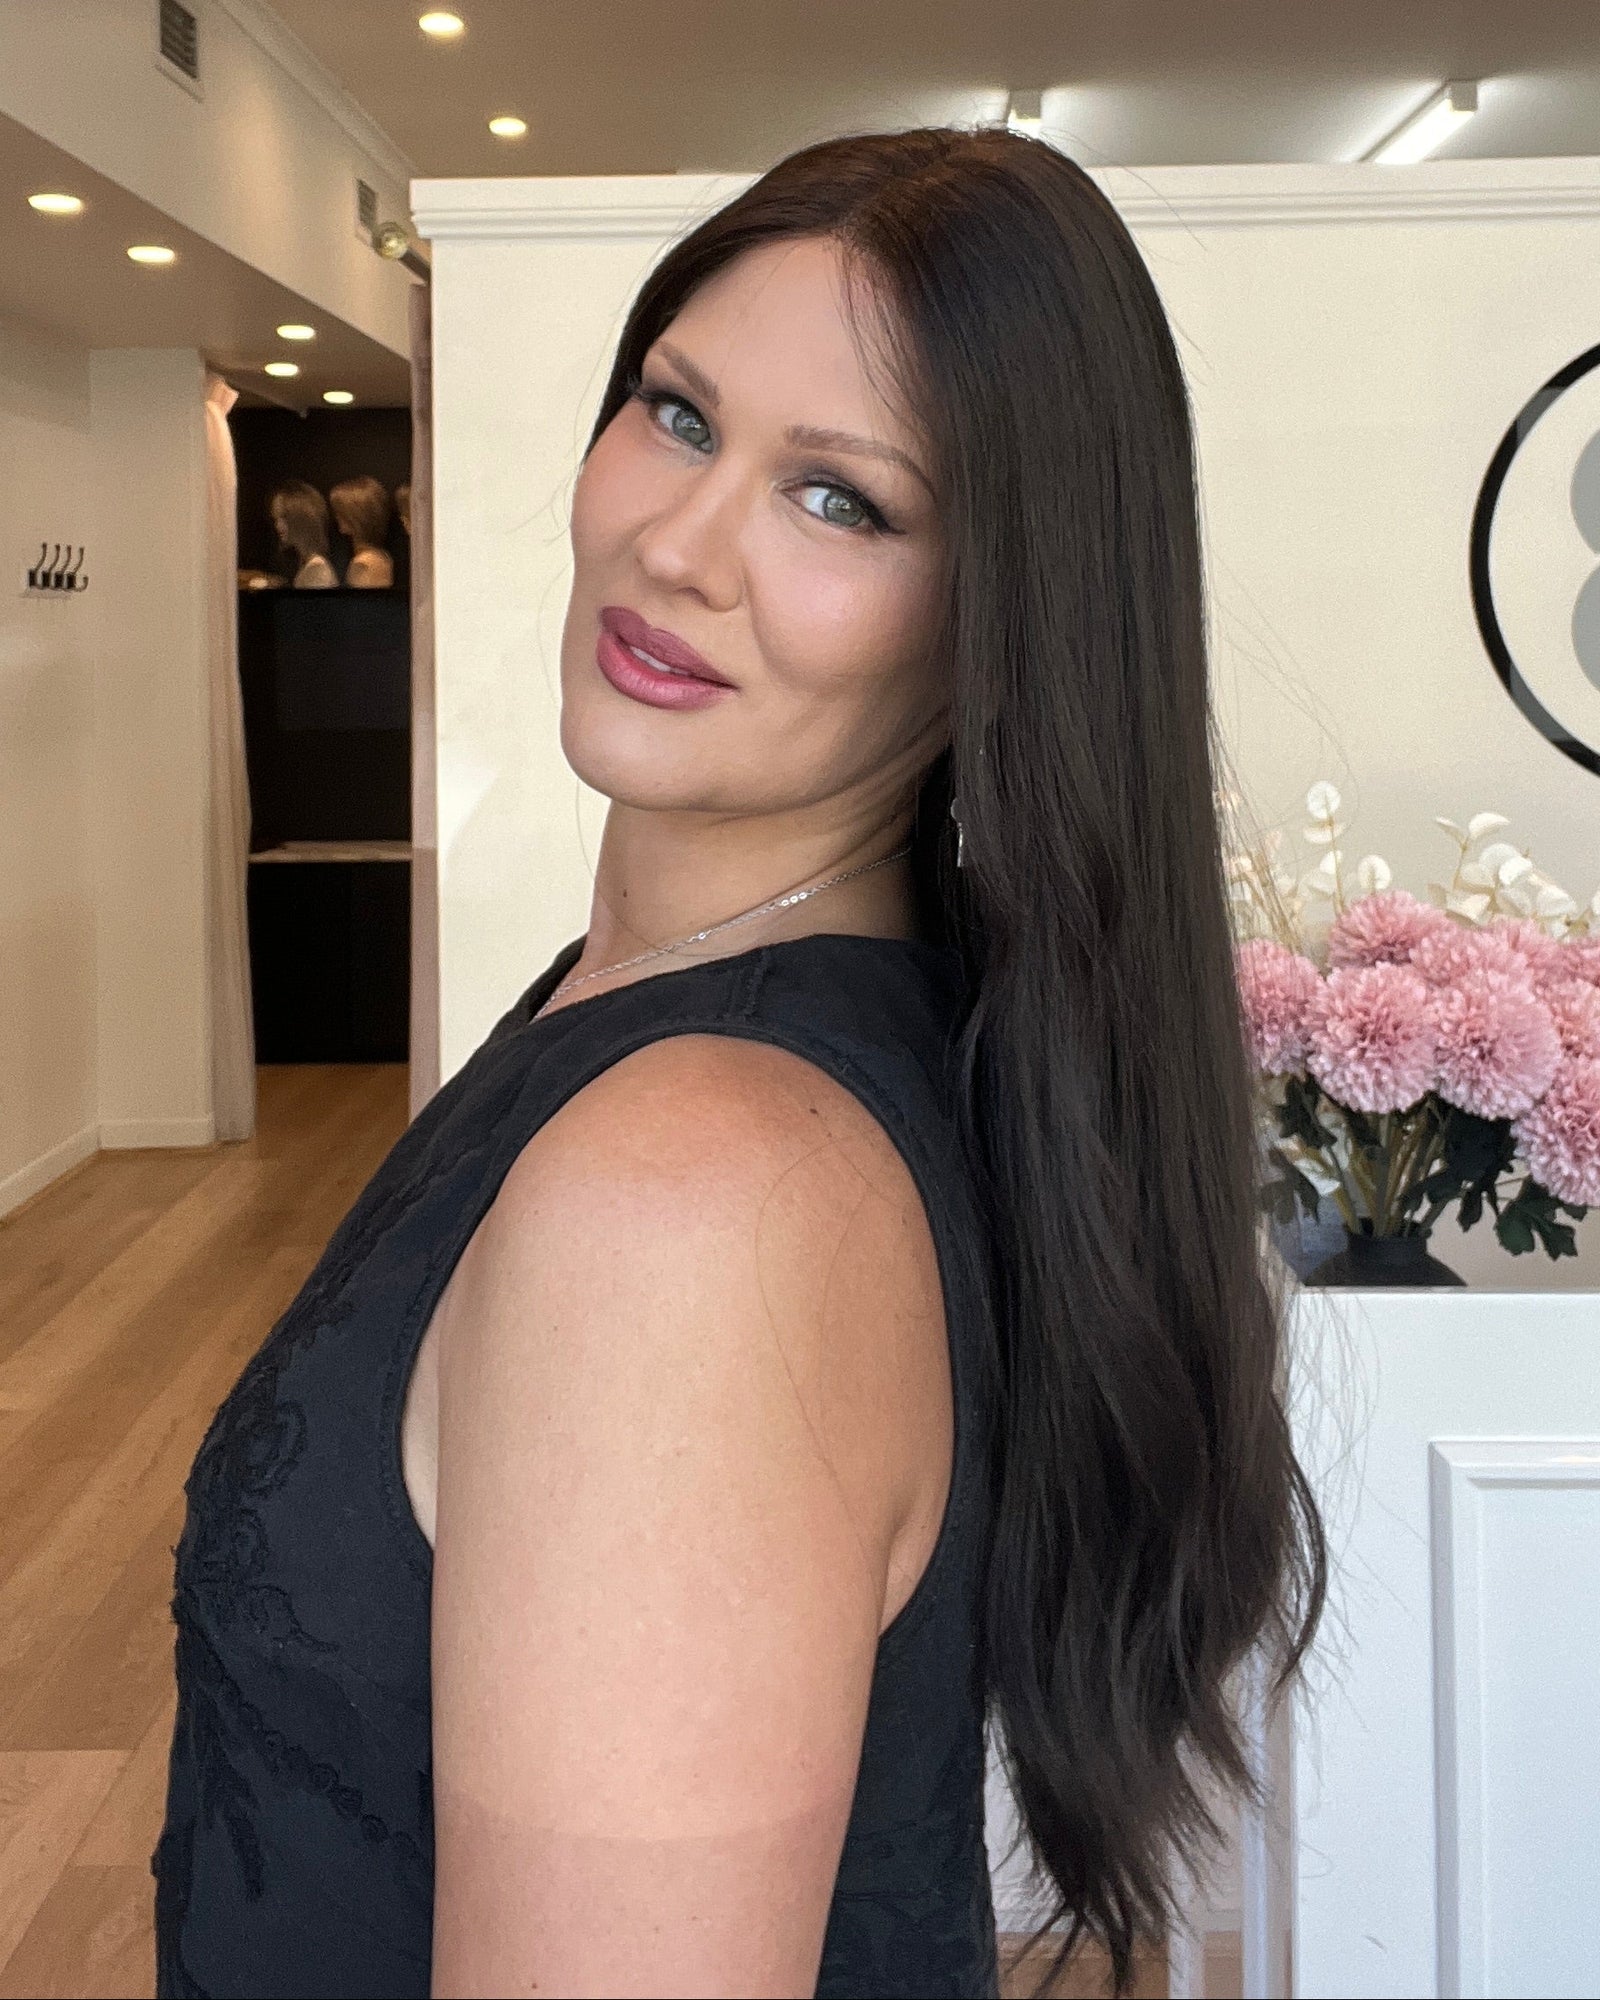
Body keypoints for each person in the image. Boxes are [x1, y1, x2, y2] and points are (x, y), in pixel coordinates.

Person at [153, 125, 1326, 2000]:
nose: (680, 546)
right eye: (678, 415)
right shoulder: (653, 1017)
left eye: (840, 500)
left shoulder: (697, 1196)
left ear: (997, 622)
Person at [267, 477, 338, 589]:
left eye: (284, 517)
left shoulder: (316, 569)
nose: (277, 525)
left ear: (302, 519)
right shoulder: (307, 563)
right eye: (276, 519)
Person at [329, 472, 397, 587]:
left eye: (340, 512)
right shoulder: (383, 556)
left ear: (356, 517)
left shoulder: (362, 564)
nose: (336, 517)